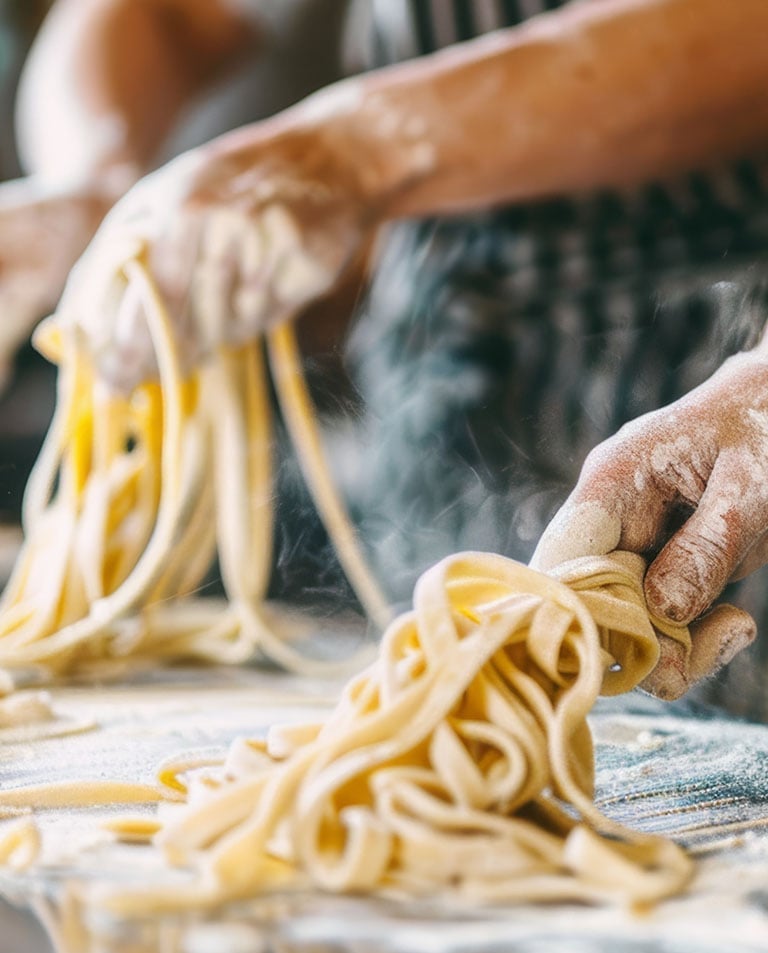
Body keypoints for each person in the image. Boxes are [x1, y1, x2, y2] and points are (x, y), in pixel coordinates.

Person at [7, 0, 768, 711]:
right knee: (467, 729)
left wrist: (356, 148)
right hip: (442, 405)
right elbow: (165, 16)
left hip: (721, 401)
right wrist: (99, 183)